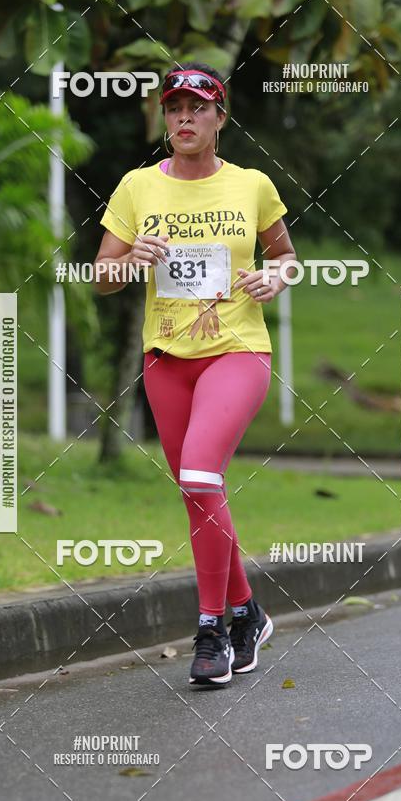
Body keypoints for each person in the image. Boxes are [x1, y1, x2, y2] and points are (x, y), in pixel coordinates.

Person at [94, 62, 297, 687]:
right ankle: (249, 613)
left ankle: (212, 630)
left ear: (219, 118)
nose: (185, 118)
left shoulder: (251, 185)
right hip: (166, 360)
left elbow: (286, 257)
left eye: (198, 108)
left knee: (202, 473)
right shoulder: (136, 187)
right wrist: (131, 258)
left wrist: (274, 278)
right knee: (197, 491)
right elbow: (101, 277)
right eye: (174, 108)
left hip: (237, 351)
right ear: (165, 118)